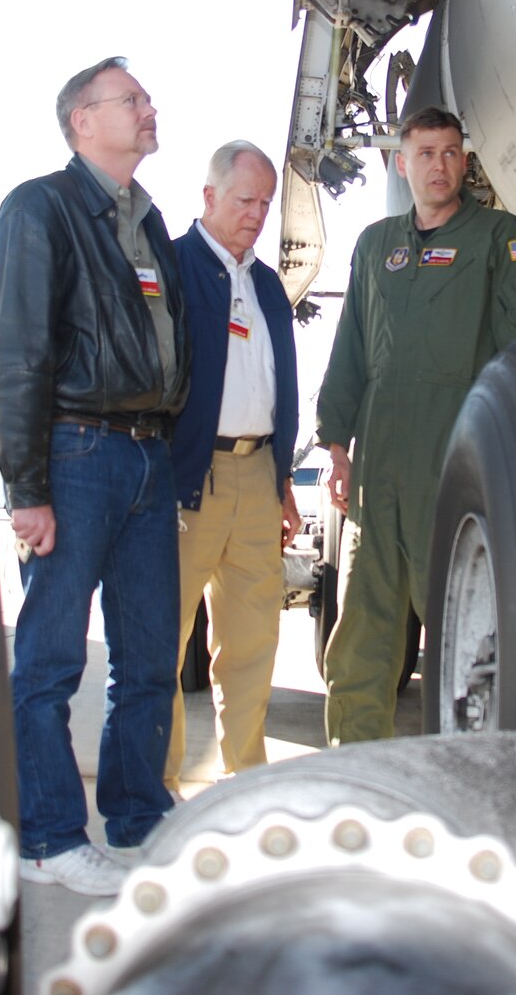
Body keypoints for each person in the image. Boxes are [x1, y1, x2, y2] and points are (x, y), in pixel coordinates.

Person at [0, 55, 187, 895]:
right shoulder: (41, 209)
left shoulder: (149, 219)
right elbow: (14, 351)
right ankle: (52, 836)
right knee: (51, 658)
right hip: (76, 456)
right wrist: (26, 487)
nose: (148, 107)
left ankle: (139, 817)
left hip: (146, 454)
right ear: (81, 121)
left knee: (147, 660)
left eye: (144, 97)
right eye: (130, 99)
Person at [315, 106, 516, 744]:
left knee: (468, 636)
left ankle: (472, 772)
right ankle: (356, 768)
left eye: (450, 153)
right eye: (425, 153)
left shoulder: (503, 238)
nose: (439, 166)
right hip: (376, 475)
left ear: (464, 162)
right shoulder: (375, 244)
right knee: (363, 632)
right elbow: (350, 353)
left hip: (454, 470)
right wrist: (335, 445)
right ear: (402, 162)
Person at [165, 141, 302, 791]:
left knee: (252, 642)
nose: (256, 213)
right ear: (209, 196)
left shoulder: (269, 284)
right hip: (189, 477)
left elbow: (281, 384)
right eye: (244, 199)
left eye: (266, 202)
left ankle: (245, 781)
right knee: (160, 643)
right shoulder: (171, 266)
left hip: (258, 476)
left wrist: (281, 483)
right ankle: (156, 787)